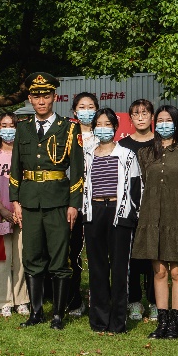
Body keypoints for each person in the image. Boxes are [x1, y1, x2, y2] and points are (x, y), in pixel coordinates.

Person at [9, 73, 85, 330]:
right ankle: (36, 312)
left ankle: (58, 315)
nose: (41, 101)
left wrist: (74, 204)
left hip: (58, 202)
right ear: (30, 99)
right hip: (30, 201)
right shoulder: (23, 128)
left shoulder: (69, 128)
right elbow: (16, 167)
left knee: (59, 258)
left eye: (46, 96)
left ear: (54, 97)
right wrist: (15, 200)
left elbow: (78, 170)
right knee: (32, 257)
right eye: (36, 96)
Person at [82, 109, 143, 334]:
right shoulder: (87, 154)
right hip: (94, 211)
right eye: (99, 124)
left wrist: (132, 214)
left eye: (107, 124)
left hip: (119, 211)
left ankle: (118, 321)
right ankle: (99, 319)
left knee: (119, 268)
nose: (103, 128)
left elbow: (136, 187)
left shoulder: (127, 154)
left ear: (115, 127)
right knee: (97, 267)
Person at [132, 105, 178, 340]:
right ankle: (162, 321)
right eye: (161, 120)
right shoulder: (145, 153)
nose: (164, 124)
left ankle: (175, 322)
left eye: (169, 120)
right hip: (151, 216)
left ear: (176, 124)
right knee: (159, 272)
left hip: (177, 216)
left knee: (177, 271)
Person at [119, 99, 157, 321]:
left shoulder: (161, 143)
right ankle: (134, 301)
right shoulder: (122, 145)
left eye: (145, 113)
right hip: (130, 208)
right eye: (136, 113)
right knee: (131, 256)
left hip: (155, 208)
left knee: (154, 257)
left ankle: (154, 301)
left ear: (152, 116)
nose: (141, 117)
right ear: (130, 118)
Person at [0, 113, 29, 318]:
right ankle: (3, 301)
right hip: (0, 213)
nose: (8, 129)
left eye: (12, 125)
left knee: (21, 257)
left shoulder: (25, 153)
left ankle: (21, 300)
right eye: (4, 125)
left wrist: (20, 208)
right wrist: (2, 210)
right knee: (1, 258)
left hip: (22, 212)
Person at [65, 91, 100, 317]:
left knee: (98, 254)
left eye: (90, 107)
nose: (86, 112)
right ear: (74, 111)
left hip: (98, 203)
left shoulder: (103, 135)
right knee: (74, 253)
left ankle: (99, 299)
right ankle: (74, 300)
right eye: (82, 107)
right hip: (74, 203)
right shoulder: (67, 136)